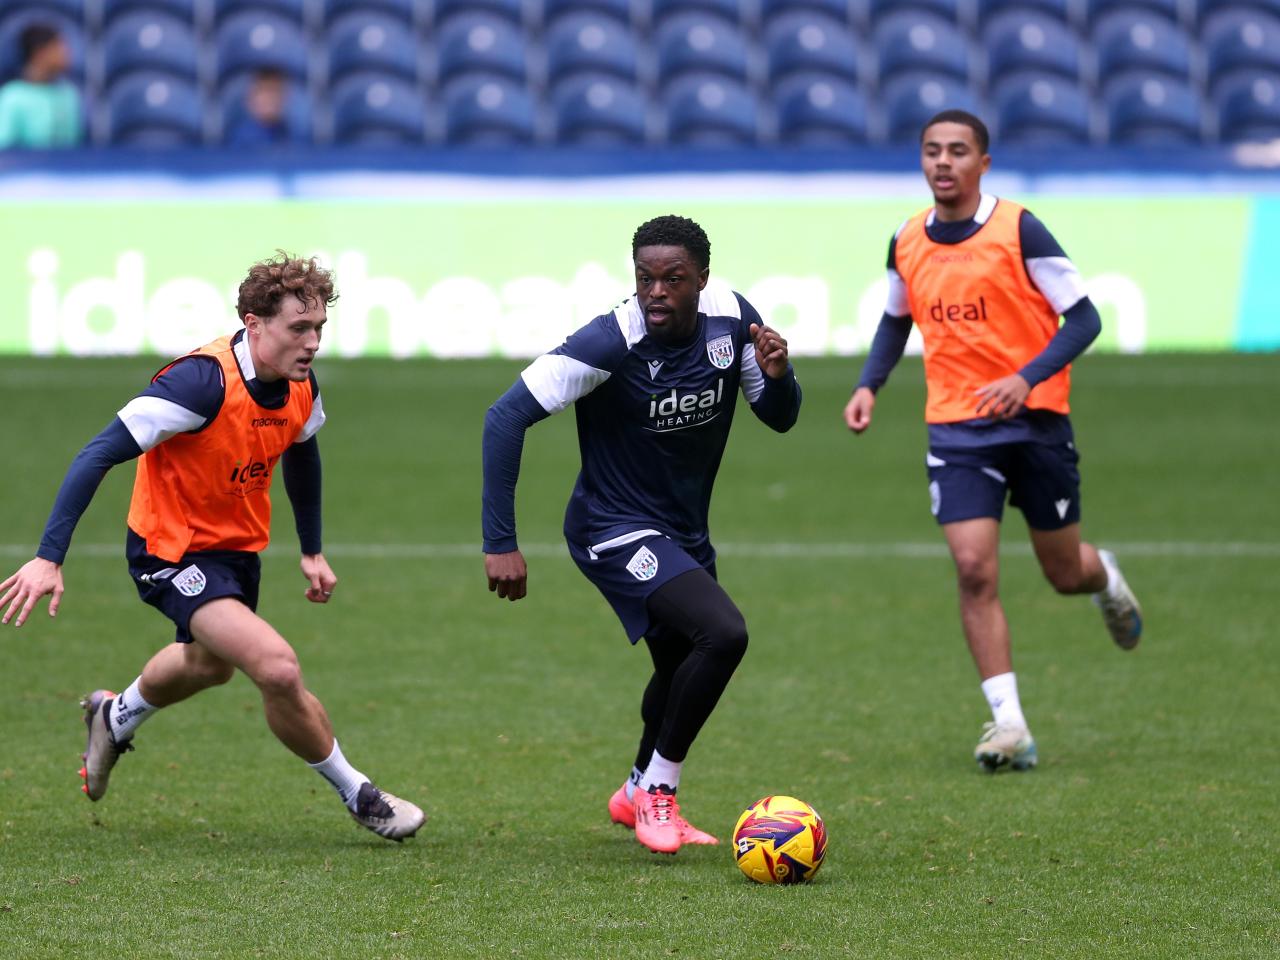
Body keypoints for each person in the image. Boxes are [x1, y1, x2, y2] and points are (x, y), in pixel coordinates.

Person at [0, 253, 424, 841]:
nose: (313, 343)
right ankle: (360, 794)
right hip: (169, 552)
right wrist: (49, 556)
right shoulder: (199, 382)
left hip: (234, 551)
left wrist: (312, 548)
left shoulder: (298, 381)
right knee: (276, 667)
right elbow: (97, 452)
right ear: (254, 324)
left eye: (319, 328)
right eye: (299, 328)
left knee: (208, 665)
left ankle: (113, 715)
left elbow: (302, 447)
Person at [482, 215, 802, 855]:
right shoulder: (609, 342)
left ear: (700, 280)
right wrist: (500, 543)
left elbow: (779, 417)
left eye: (673, 279)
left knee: (682, 661)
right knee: (723, 633)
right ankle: (660, 792)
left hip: (682, 530)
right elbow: (504, 417)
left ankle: (633, 792)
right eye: (645, 278)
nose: (657, 291)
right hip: (612, 527)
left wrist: (779, 374)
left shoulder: (733, 319)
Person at [844, 110, 1143, 773]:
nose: (943, 162)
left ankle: (1105, 577)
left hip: (1035, 423)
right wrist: (871, 384)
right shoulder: (906, 239)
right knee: (975, 567)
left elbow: (1084, 317)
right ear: (920, 161)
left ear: (983, 163)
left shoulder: (1020, 228)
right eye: (931, 151)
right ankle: (1009, 723)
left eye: (957, 151)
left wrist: (1025, 376)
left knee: (1064, 572)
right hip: (957, 427)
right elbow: (897, 321)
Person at [0, 22, 82, 149]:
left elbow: (74, 146)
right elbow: (4, 149)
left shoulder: (68, 93)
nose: (66, 53)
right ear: (39, 52)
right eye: (58, 47)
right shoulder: (12, 96)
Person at [225, 68, 303, 147]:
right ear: (250, 100)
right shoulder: (240, 136)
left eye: (275, 93)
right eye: (264, 94)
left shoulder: (288, 131)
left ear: (285, 98)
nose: (270, 100)